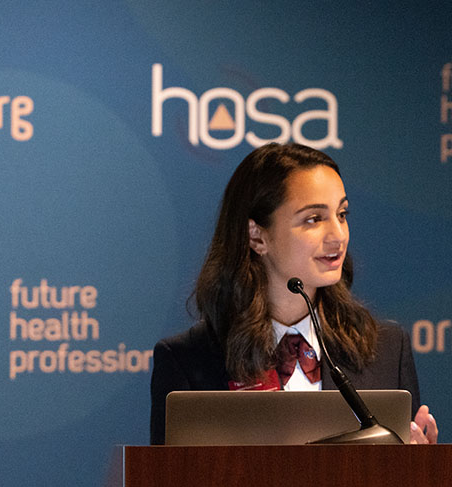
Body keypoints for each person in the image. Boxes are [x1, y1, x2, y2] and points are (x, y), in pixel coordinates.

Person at [150, 143, 437, 445]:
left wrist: (419, 470)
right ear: (257, 236)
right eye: (314, 219)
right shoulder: (188, 359)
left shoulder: (388, 350)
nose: (338, 235)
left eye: (342, 214)